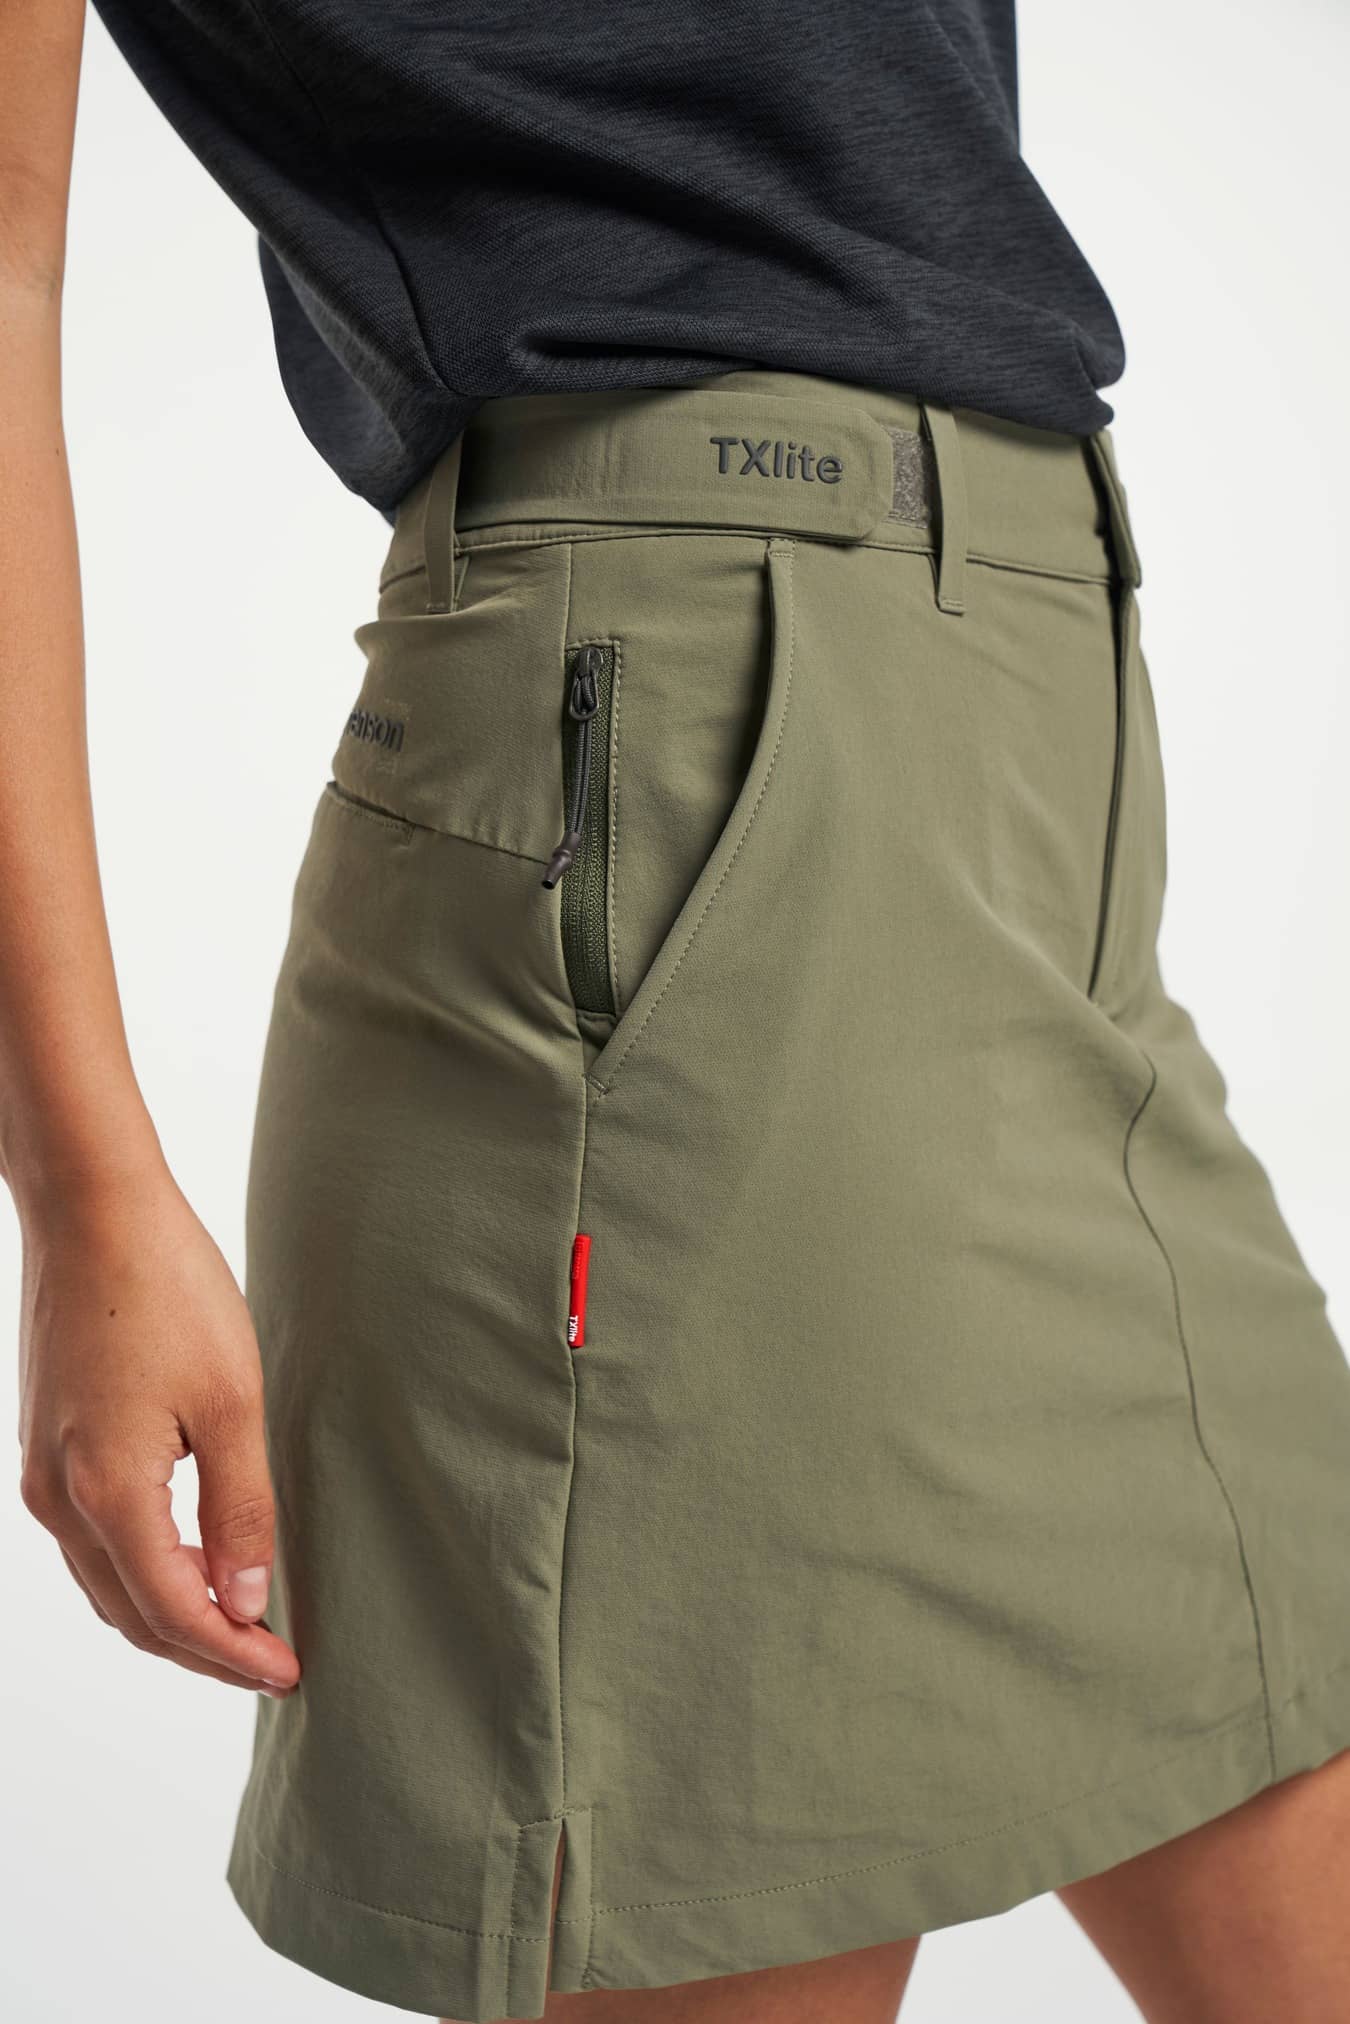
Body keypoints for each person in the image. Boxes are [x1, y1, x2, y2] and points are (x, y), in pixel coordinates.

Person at [5, 4, 1349, 2021]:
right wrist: (86, 1187)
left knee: (1276, 1697)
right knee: (723, 1868)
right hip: (699, 758)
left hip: (1037, 712)